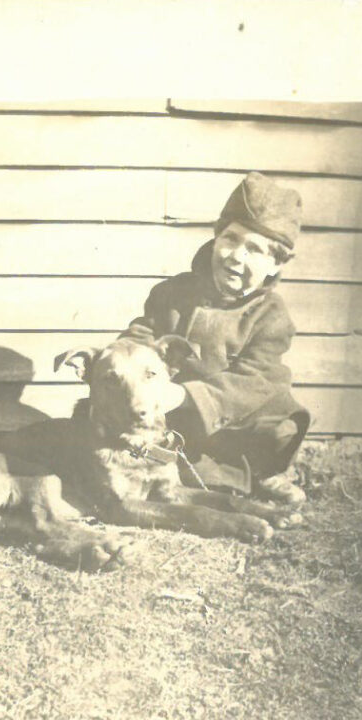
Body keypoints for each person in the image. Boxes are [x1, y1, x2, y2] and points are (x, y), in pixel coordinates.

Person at [119, 171, 311, 502]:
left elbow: (255, 380)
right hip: (171, 418)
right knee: (174, 466)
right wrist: (122, 360)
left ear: (275, 265)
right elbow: (141, 335)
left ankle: (266, 472)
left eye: (255, 249)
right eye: (230, 239)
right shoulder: (173, 292)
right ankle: (176, 467)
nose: (236, 255)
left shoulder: (271, 316)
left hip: (230, 422)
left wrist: (185, 396)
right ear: (216, 238)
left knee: (283, 426)